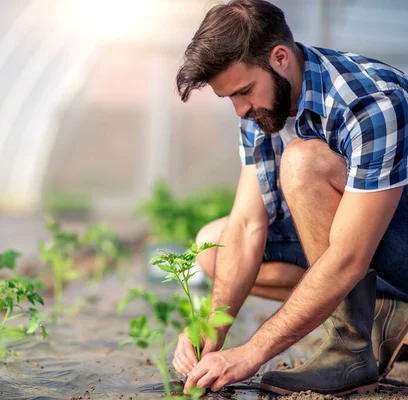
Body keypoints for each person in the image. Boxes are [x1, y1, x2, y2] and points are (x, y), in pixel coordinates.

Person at [172, 0, 408, 396]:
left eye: (244, 91)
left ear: (280, 57)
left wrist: (251, 352)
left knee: (303, 162)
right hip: (366, 241)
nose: (240, 109)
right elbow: (247, 225)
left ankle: (348, 349)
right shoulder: (262, 108)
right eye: (230, 97)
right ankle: (389, 312)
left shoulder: (370, 101)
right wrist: (210, 330)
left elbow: (349, 256)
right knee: (213, 245)